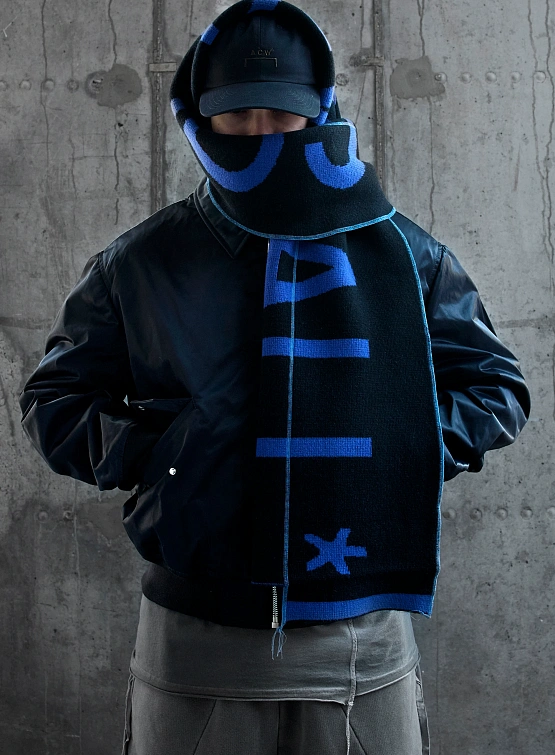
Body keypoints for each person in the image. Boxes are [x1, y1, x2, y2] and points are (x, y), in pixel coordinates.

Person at [19, 1, 530, 754]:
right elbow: (53, 399)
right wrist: (170, 455)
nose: (261, 135)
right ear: (200, 118)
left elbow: (495, 387)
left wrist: (402, 449)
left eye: (282, 115)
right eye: (238, 115)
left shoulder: (406, 254)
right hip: (195, 635)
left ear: (317, 112)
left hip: (361, 642)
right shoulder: (142, 262)